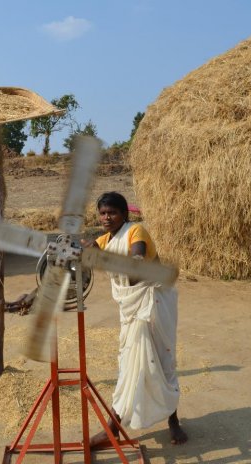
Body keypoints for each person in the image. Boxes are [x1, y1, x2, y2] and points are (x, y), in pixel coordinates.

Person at [83, 191, 188, 447]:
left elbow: (136, 257)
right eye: (103, 213)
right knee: (129, 364)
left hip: (153, 305)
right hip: (131, 310)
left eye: (113, 213)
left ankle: (173, 421)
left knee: (162, 362)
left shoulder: (135, 232)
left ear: (124, 214)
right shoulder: (106, 240)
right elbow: (87, 254)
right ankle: (114, 429)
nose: (107, 218)